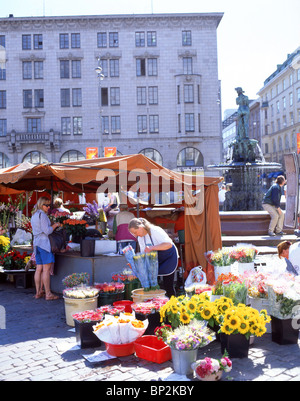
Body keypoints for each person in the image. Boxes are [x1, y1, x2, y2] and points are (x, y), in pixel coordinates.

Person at [128, 218, 178, 298]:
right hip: (156, 260)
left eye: (135, 232)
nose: (135, 235)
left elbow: (168, 245)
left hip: (168, 257)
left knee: (168, 285)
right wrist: (135, 264)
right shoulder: (140, 238)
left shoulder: (155, 231)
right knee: (154, 284)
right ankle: (157, 304)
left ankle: (173, 305)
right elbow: (144, 254)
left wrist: (152, 248)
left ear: (141, 227)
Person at [31, 196, 61, 300]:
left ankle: (38, 292)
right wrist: (55, 225)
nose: (48, 207)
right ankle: (48, 294)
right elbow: (47, 231)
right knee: (46, 270)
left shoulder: (34, 215)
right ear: (41, 204)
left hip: (36, 244)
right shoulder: (42, 215)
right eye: (46, 205)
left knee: (39, 269)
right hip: (44, 244)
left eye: (49, 205)